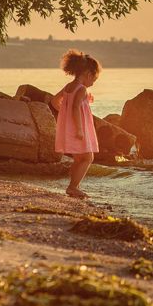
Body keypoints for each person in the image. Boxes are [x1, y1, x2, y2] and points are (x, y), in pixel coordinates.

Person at [51, 49, 100, 199]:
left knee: (79, 159)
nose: (93, 83)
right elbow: (75, 107)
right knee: (88, 158)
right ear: (88, 74)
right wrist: (79, 129)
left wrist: (64, 114)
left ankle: (74, 187)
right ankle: (72, 187)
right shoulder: (82, 89)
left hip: (69, 129)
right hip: (78, 129)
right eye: (94, 79)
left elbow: (54, 101)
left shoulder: (68, 87)